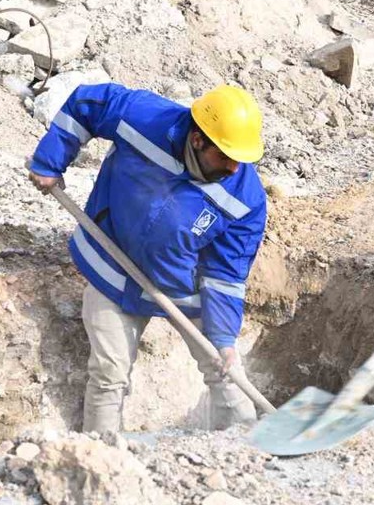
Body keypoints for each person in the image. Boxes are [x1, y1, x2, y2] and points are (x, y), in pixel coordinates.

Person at [27, 83, 268, 433]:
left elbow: (225, 274)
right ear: (197, 140)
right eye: (225, 156)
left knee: (226, 372)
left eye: (240, 159)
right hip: (113, 269)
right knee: (109, 375)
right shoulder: (145, 118)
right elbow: (86, 103)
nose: (234, 168)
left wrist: (225, 339)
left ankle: (245, 447)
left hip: (182, 287)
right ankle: (100, 452)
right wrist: (50, 160)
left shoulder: (246, 198)